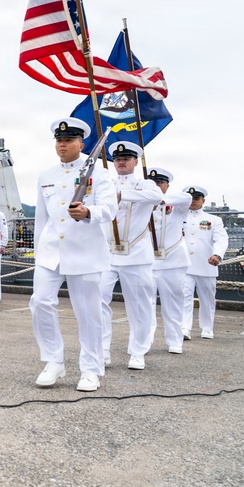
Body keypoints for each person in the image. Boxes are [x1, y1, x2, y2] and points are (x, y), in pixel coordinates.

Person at [30, 118, 117, 393]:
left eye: (68, 140)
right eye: (59, 140)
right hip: (50, 251)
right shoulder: (46, 176)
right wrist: (38, 252)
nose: (62, 145)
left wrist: (89, 212)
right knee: (40, 302)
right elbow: (41, 218)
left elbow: (110, 208)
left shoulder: (99, 173)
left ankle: (91, 369)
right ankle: (53, 361)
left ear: (81, 144)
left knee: (88, 313)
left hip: (84, 251)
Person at [98, 141, 164, 371]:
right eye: (117, 159)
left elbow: (156, 196)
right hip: (107, 253)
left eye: (126, 158)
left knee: (139, 306)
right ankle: (102, 350)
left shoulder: (145, 184)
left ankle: (138, 351)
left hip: (136, 254)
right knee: (97, 300)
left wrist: (121, 195)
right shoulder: (106, 183)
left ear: (136, 161)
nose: (121, 162)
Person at [147, 168, 192, 354]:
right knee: (145, 304)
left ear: (167, 186)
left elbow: (187, 198)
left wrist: (159, 199)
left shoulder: (176, 204)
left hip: (172, 261)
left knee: (173, 303)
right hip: (148, 261)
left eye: (160, 183)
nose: (157, 186)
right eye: (153, 183)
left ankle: (174, 340)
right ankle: (144, 342)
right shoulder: (142, 205)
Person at [182, 186, 228, 340]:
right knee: (184, 297)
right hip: (185, 265)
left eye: (196, 198)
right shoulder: (177, 217)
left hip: (206, 265)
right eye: (190, 198)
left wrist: (217, 254)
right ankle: (184, 328)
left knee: (207, 299)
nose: (193, 201)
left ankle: (207, 328)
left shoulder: (214, 220)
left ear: (203, 201)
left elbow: (221, 239)